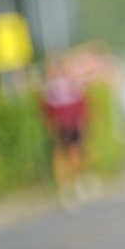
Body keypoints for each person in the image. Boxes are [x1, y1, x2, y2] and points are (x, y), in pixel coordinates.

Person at [41, 56, 91, 208]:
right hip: (61, 126)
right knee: (61, 157)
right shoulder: (50, 87)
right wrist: (51, 124)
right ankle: (64, 189)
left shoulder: (71, 84)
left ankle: (77, 183)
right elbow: (46, 109)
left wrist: (82, 119)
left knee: (76, 154)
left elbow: (81, 102)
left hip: (73, 125)